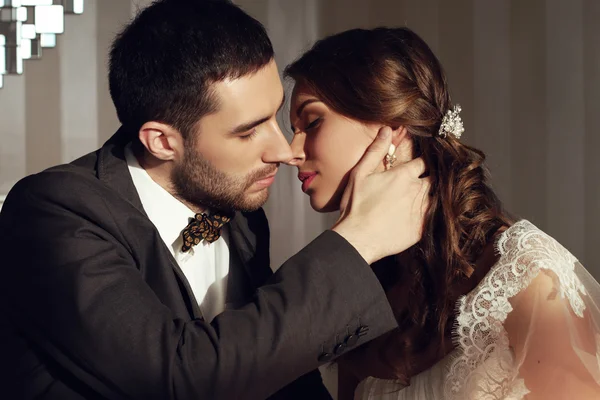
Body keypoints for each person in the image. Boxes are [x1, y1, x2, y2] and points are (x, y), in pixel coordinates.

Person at [0, 3, 430, 400]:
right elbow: (177, 380)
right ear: (163, 141)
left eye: (276, 116)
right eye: (247, 131)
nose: (282, 150)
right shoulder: (53, 212)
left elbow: (273, 367)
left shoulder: (241, 217)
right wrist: (354, 242)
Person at [286, 27, 600, 400]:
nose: (292, 150)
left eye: (312, 122)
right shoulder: (366, 295)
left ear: (392, 125)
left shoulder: (525, 276)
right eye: (294, 130)